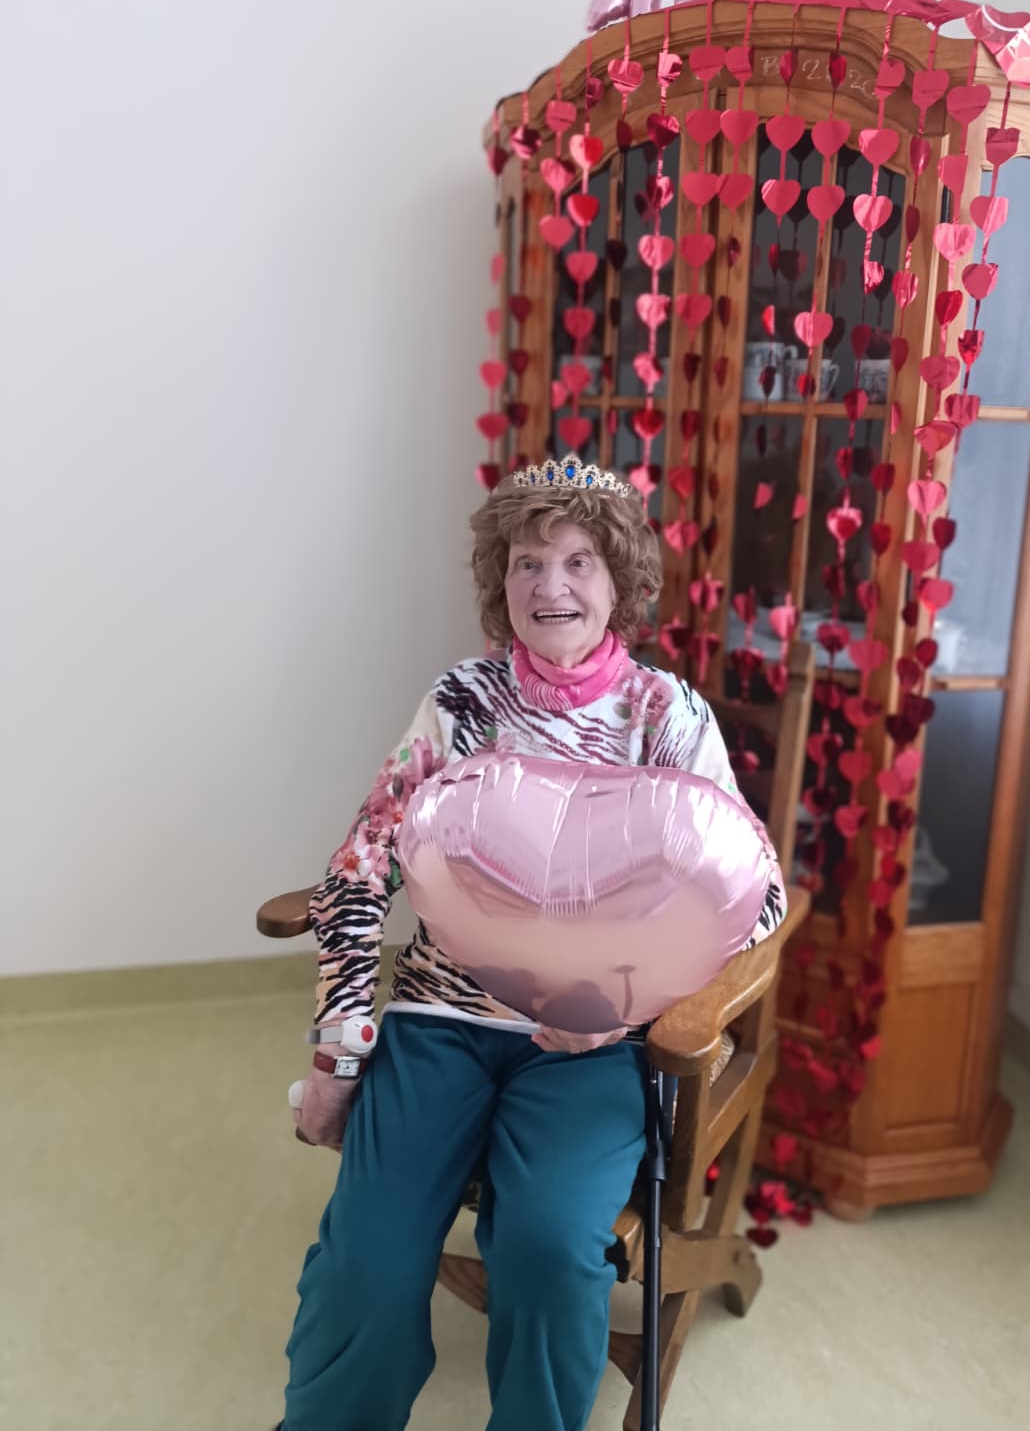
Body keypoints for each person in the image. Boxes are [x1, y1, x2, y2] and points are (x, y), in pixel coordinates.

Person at [279, 457, 785, 1431]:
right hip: (440, 1019)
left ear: (619, 579)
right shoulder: (461, 702)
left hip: (597, 1043)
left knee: (549, 1251)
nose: (551, 585)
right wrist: (340, 1045)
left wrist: (624, 1007)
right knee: (367, 1260)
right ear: (499, 579)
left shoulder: (667, 717)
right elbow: (362, 863)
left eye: (578, 561)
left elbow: (752, 897)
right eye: (526, 562)